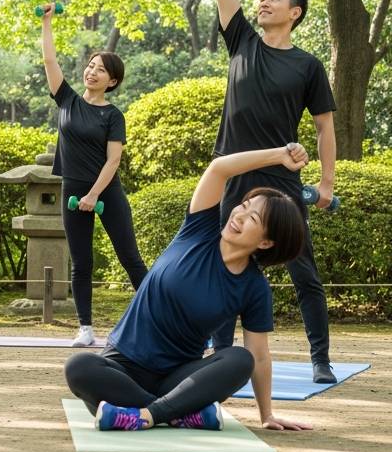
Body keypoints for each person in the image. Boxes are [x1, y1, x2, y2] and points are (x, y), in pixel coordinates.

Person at [65, 145, 313, 433]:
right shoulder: (198, 229)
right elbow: (219, 169)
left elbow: (258, 355)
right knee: (79, 367)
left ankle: (145, 414)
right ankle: (176, 413)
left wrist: (266, 414)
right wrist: (279, 156)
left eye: (253, 219)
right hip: (123, 367)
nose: (239, 217)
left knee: (238, 359)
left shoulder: (253, 287)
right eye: (243, 207)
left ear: (266, 242)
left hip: (180, 378)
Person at [212, 0, 338, 383]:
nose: (263, 2)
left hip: (282, 178)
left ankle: (320, 359)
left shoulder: (307, 65)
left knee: (303, 271)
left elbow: (325, 126)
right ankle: (221, 356)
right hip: (234, 171)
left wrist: (325, 182)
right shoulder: (242, 39)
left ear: (294, 12)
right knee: (226, 263)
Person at [41, 6, 148, 347]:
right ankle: (85, 328)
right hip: (72, 187)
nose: (92, 72)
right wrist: (46, 23)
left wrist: (94, 196)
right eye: (90, 66)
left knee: (130, 258)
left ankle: (160, 319)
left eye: (100, 70)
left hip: (107, 191)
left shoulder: (113, 115)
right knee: (82, 261)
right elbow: (49, 62)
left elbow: (113, 160)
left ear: (112, 81)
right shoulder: (68, 101)